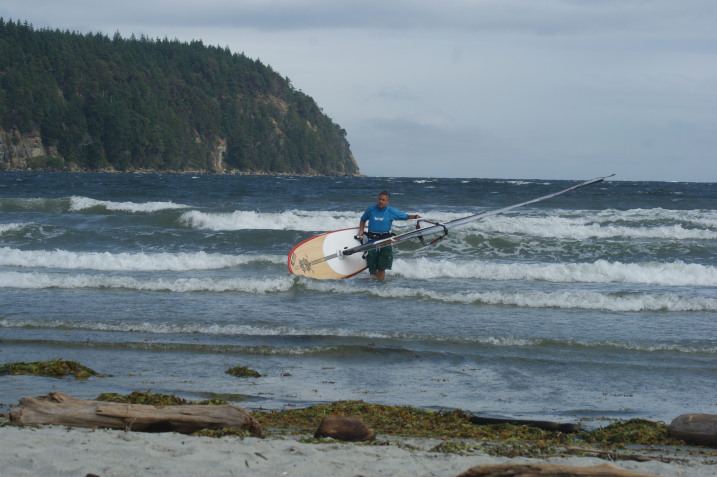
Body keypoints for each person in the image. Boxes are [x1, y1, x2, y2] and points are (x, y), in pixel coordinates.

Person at [358, 191, 420, 281]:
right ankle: (372, 286)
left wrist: (415, 216)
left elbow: (404, 216)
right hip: (372, 240)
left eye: (383, 200)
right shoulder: (370, 210)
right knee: (372, 267)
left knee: (382, 267)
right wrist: (361, 231)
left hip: (386, 241)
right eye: (379, 199)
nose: (381, 201)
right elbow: (363, 219)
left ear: (387, 201)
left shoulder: (391, 211)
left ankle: (380, 287)